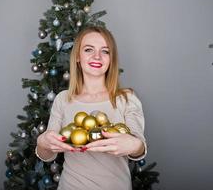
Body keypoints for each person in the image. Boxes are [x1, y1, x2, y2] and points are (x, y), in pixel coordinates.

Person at [36, 26, 147, 190]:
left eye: (105, 51)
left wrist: (134, 145)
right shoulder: (63, 99)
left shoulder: (127, 98)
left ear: (111, 59)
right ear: (78, 57)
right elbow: (48, 154)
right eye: (89, 49)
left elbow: (139, 149)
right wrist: (42, 142)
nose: (97, 56)